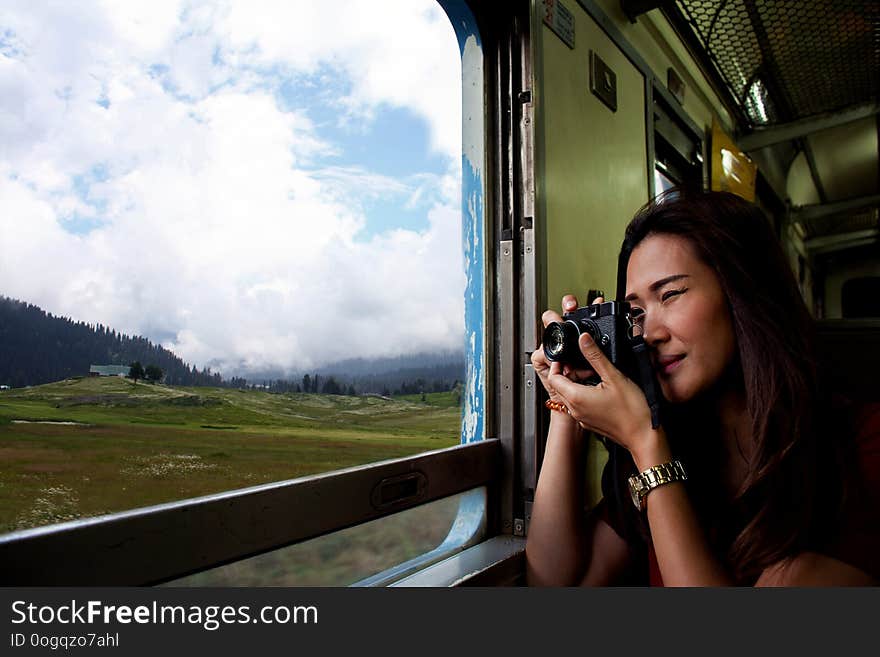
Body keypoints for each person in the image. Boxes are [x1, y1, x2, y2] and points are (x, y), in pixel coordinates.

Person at [525, 190, 880, 586]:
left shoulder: (860, 442)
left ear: (743, 291)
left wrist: (647, 446)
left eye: (671, 294)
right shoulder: (669, 436)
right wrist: (565, 404)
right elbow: (554, 584)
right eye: (637, 312)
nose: (652, 333)